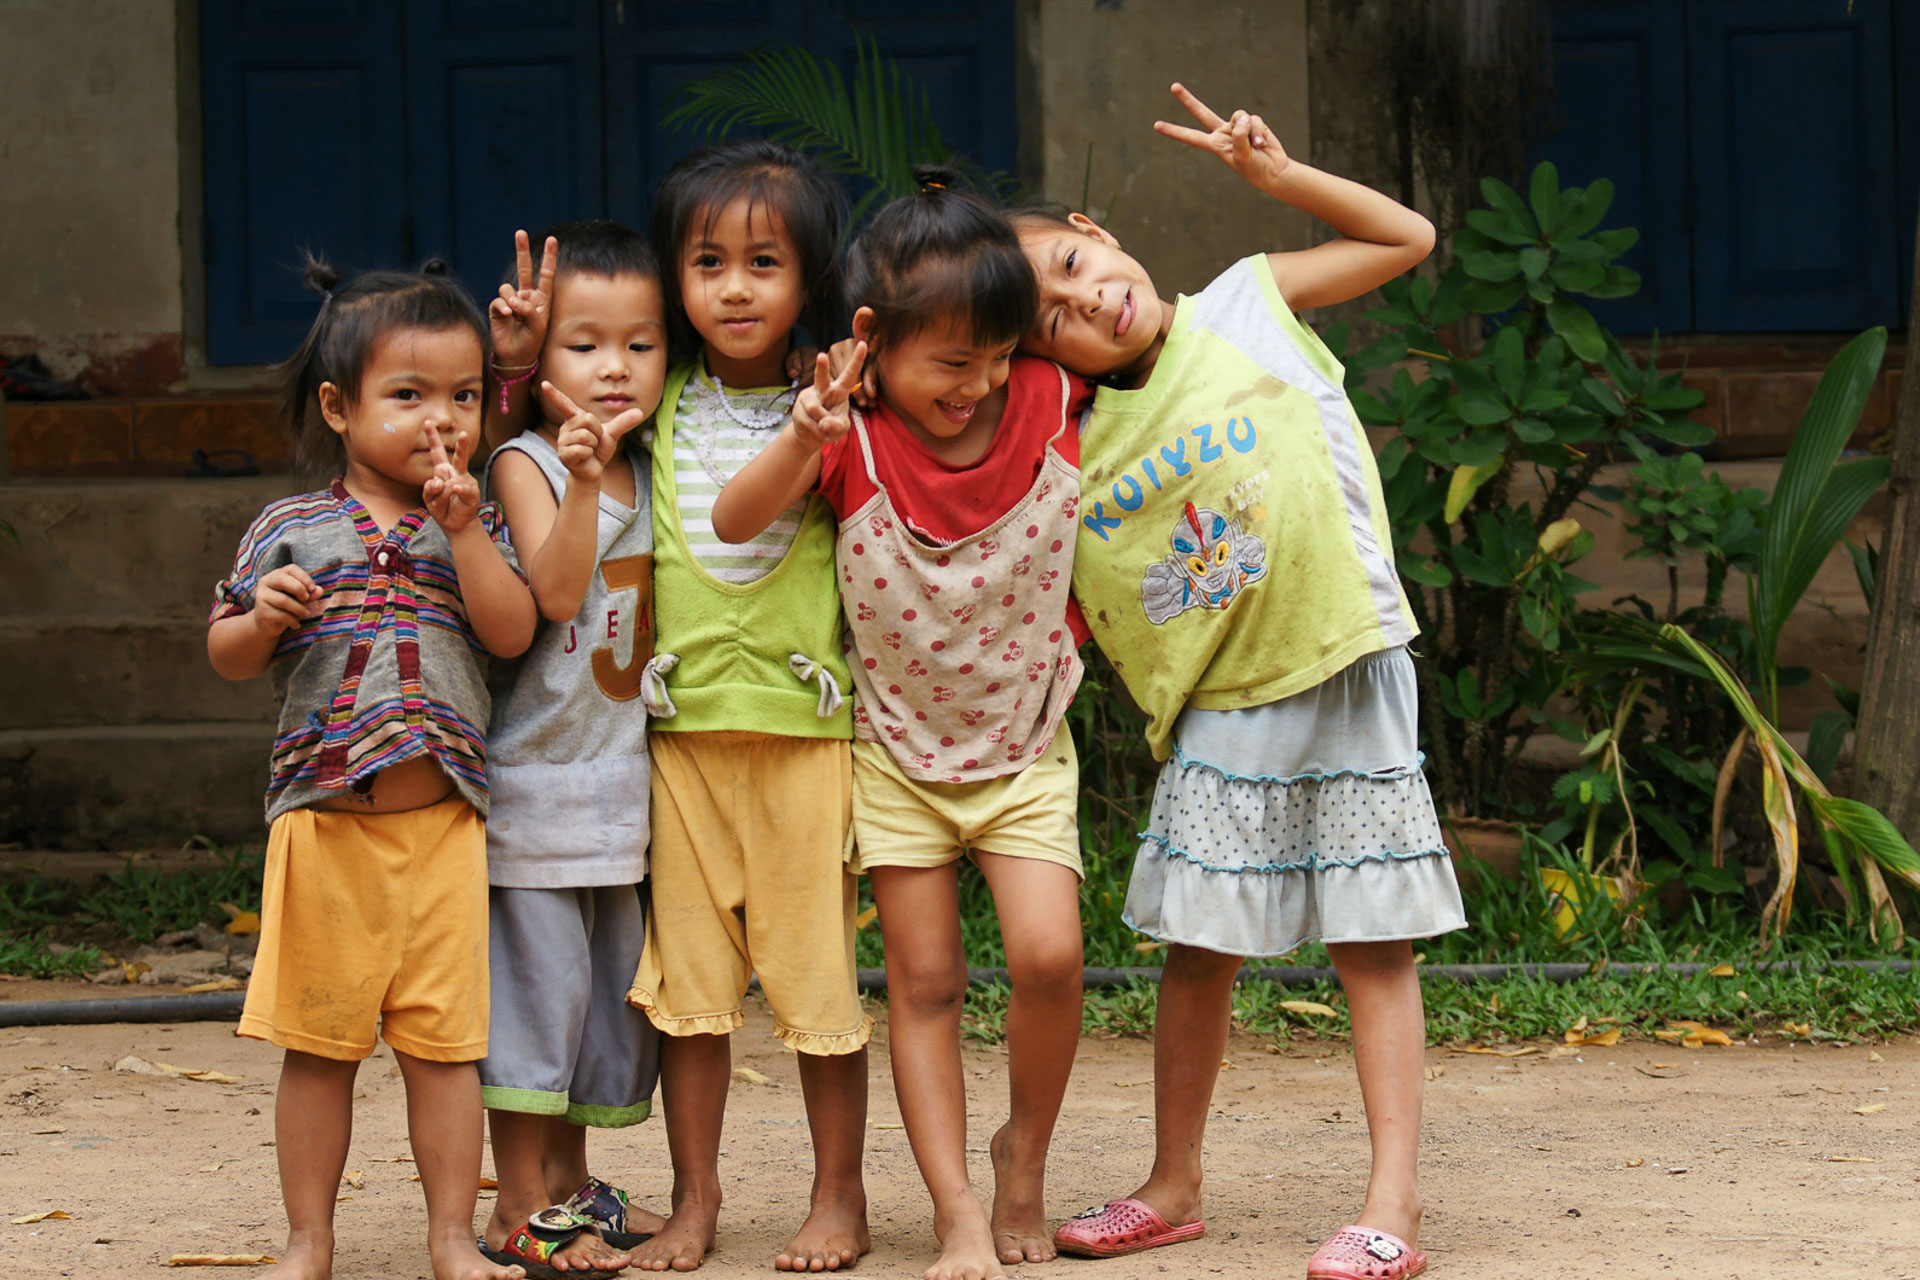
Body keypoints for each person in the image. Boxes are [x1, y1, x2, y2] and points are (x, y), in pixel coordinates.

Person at [1010, 84, 1461, 1280]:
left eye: (1072, 265)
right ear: (1040, 358)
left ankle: (1393, 1202)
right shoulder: (1070, 442)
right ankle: (1174, 1183)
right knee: (1198, 947)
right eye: (1052, 318)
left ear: (1095, 228)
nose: (1085, 301)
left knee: (1372, 939)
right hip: (1220, 700)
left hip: (1347, 657)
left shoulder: (1246, 300)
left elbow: (1405, 239)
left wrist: (1280, 179)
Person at [715, 169, 1090, 1280]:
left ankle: (1023, 1157)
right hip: (896, 759)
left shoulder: (1053, 400)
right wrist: (803, 434)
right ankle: (958, 1209)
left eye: (999, 355)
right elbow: (735, 520)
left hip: (1024, 742)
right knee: (924, 984)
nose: (981, 383)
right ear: (873, 344)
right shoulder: (853, 437)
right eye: (954, 362)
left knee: (1051, 955)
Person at [208, 258, 537, 1280]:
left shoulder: (478, 522)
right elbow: (225, 650)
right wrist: (260, 619)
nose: (441, 420)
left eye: (465, 396)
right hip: (326, 828)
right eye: (408, 395)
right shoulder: (288, 528)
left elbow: (512, 631)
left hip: (442, 831)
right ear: (339, 408)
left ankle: (451, 1236)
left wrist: (465, 531)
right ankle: (309, 1238)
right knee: (320, 1048)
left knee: (446, 1053)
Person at [628, 139, 872, 1274]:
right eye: (708, 262)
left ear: (808, 277)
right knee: (689, 997)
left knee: (820, 989)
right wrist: (521, 356)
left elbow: (743, 517)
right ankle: (696, 1197)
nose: (734, 287)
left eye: (764, 263)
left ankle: (839, 1194)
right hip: (680, 738)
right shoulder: (657, 398)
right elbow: (553, 403)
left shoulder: (836, 403)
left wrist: (814, 425)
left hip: (800, 737)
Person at [475, 220, 670, 1277]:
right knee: (536, 1001)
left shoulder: (654, 464)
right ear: (540, 358)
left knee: (596, 999)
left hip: (616, 787)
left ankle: (568, 1177)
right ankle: (517, 1201)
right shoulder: (526, 461)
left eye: (639, 344)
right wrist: (583, 479)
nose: (613, 367)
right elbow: (554, 595)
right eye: (584, 344)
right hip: (536, 786)